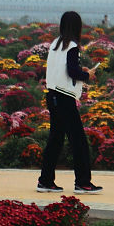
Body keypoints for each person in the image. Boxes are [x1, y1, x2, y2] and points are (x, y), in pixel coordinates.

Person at [38, 10, 101, 194]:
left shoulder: (55, 44)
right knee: (78, 141)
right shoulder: (72, 46)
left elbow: (63, 68)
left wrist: (80, 70)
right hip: (65, 98)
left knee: (55, 139)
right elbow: (72, 72)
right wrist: (87, 74)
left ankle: (45, 180)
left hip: (52, 95)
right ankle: (83, 182)